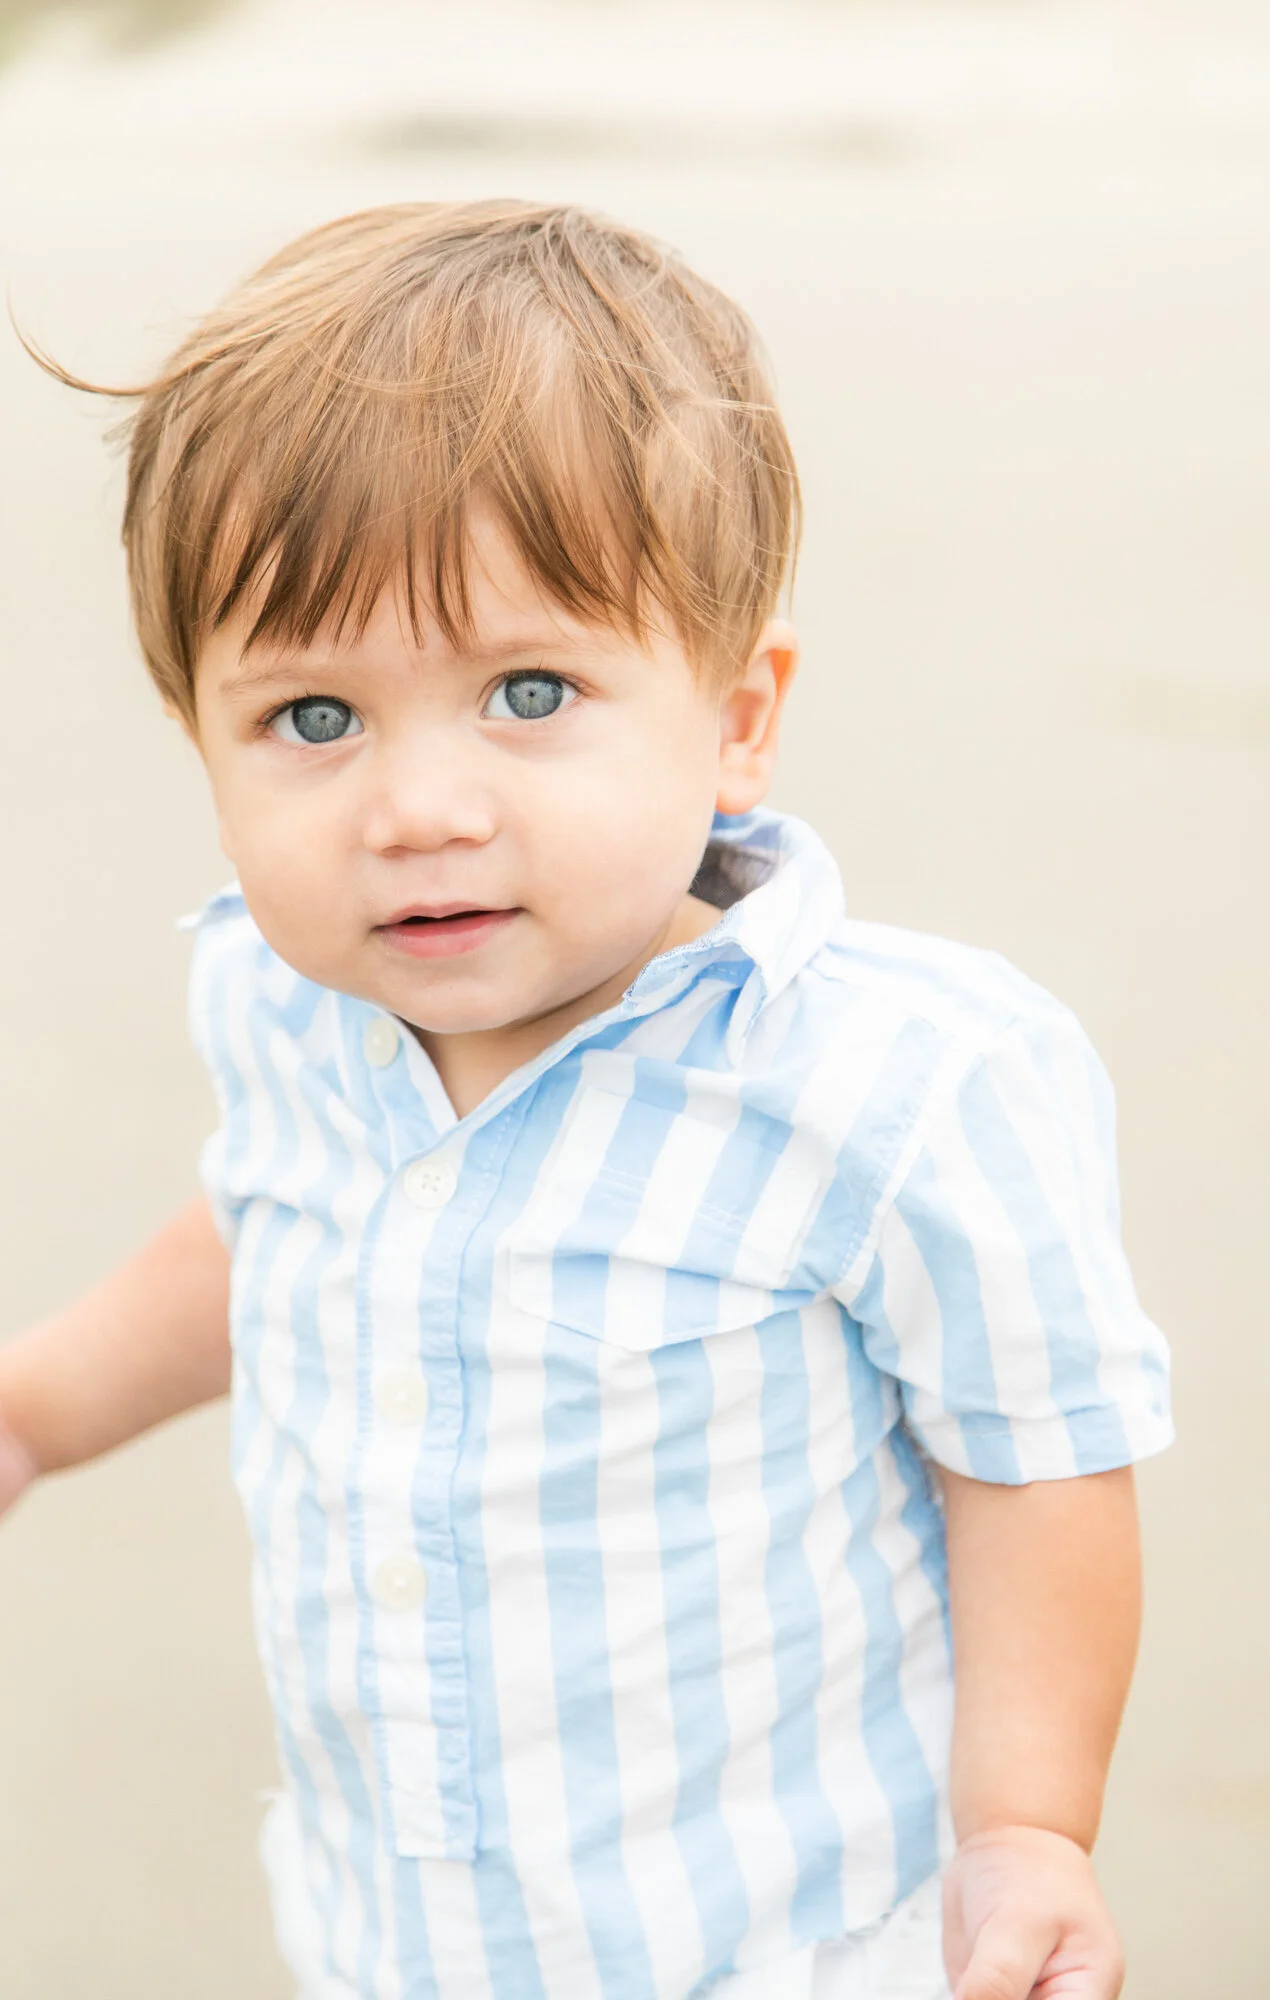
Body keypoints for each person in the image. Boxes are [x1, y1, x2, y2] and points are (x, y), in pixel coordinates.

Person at [0, 202, 1171, 2000]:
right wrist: (34, 1411)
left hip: (787, 1945)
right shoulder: (288, 1001)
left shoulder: (888, 1082)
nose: (419, 810)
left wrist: (1028, 1823)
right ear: (199, 741)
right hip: (402, 1928)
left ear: (738, 717)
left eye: (528, 692)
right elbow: (273, 1229)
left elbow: (1038, 1458)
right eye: (312, 719)